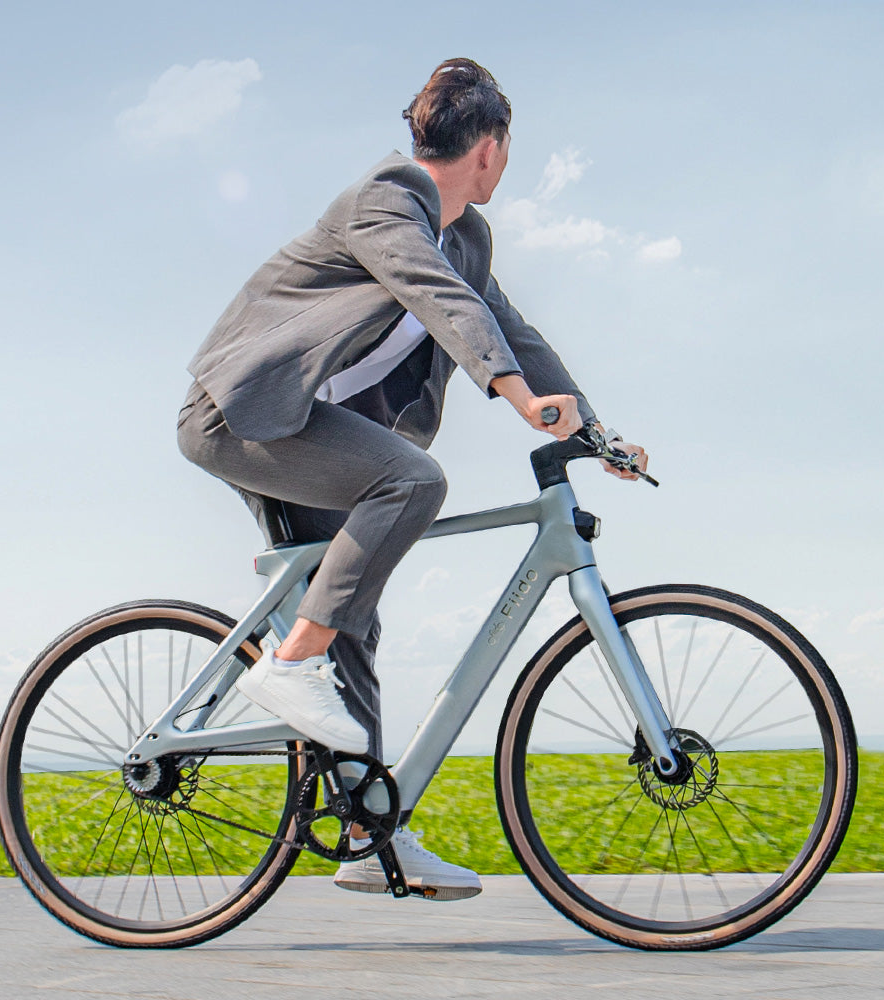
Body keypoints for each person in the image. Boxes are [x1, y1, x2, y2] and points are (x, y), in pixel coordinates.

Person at [177, 58, 647, 900]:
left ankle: (367, 834)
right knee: (412, 483)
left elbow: (509, 323)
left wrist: (598, 432)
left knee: (352, 614)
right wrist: (513, 397)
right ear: (492, 147)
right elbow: (440, 301)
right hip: (242, 417)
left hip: (312, 436)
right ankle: (288, 666)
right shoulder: (386, 199)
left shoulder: (467, 235)